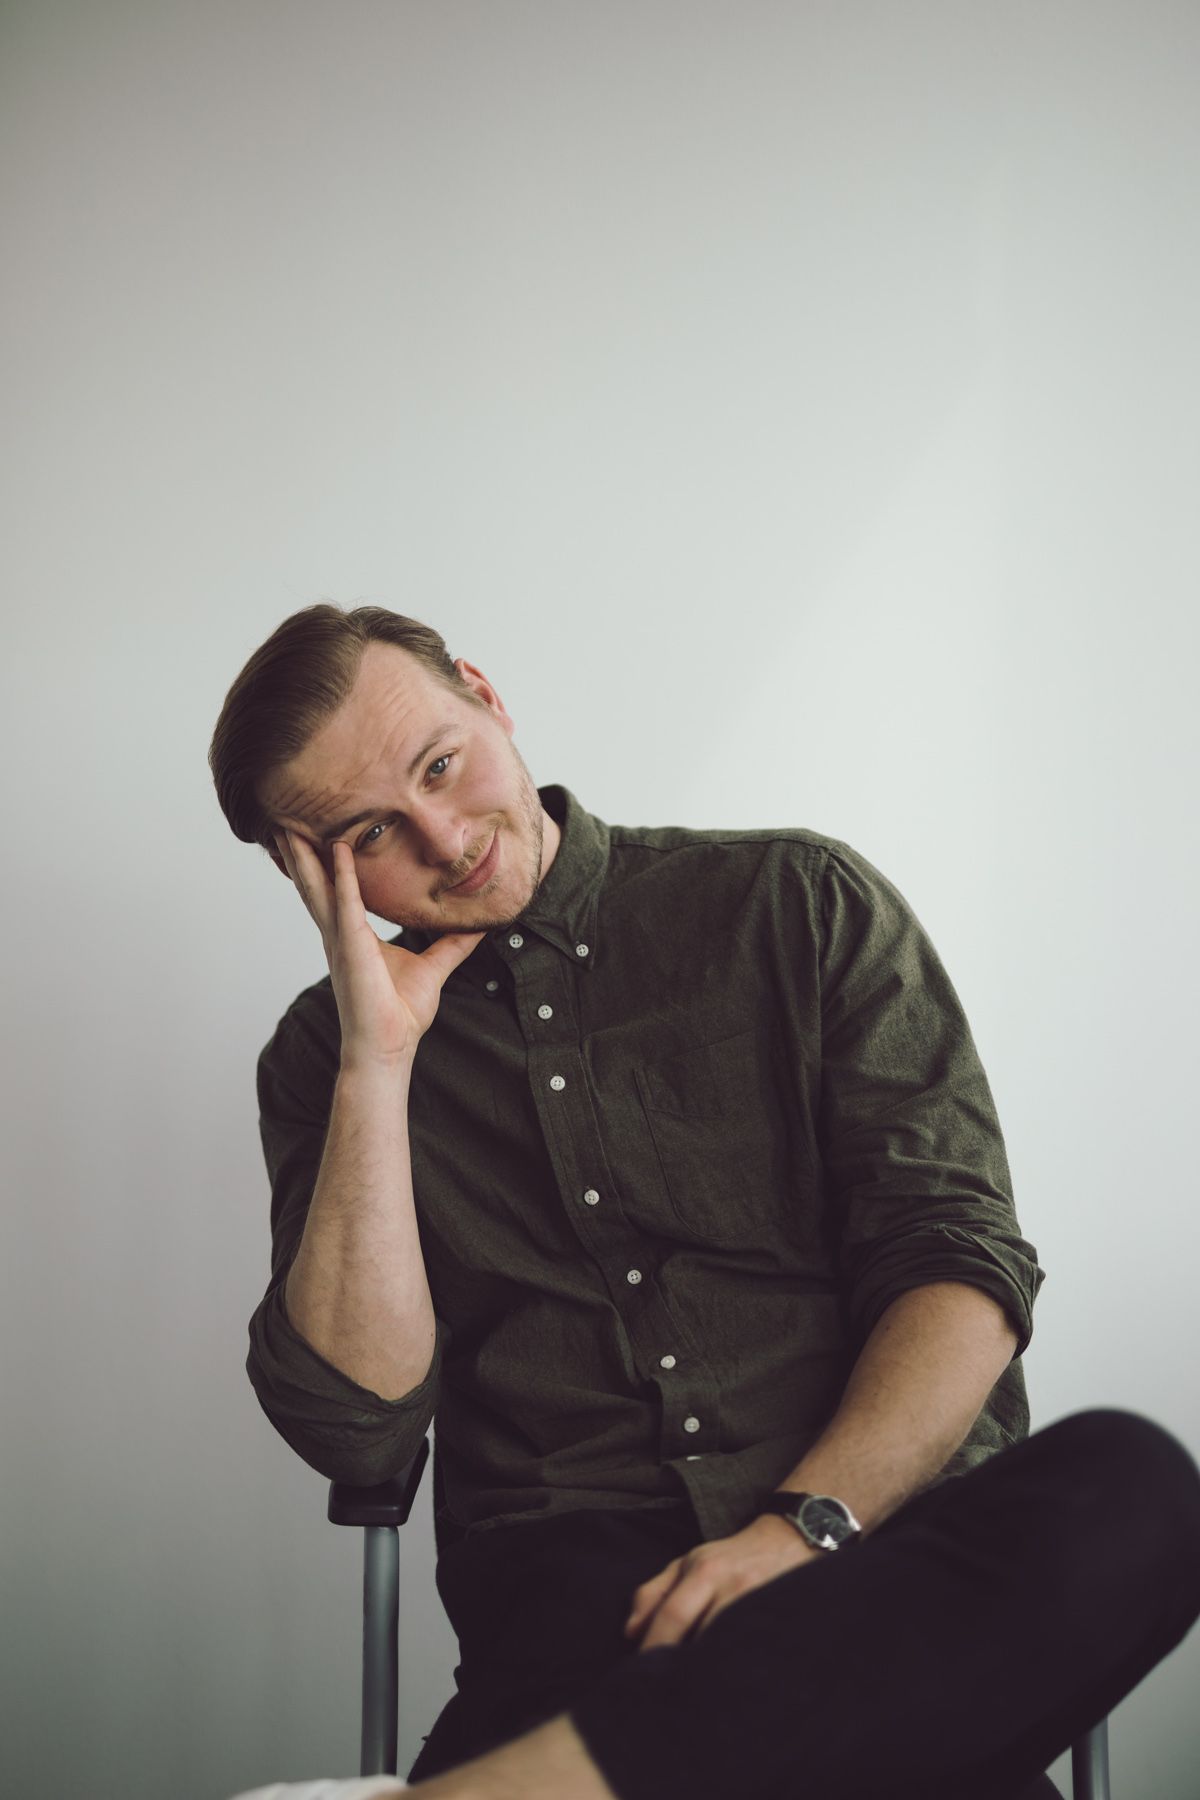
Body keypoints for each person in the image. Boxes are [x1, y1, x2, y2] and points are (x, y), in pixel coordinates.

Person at [212, 605, 1200, 1800]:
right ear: (303, 869)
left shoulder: (796, 900)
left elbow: (956, 1264)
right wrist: (377, 1064)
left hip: (870, 1564)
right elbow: (355, 1431)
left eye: (440, 764)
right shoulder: (322, 1063)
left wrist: (797, 1535)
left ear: (484, 693)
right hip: (576, 1622)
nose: (446, 837)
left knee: (1133, 1487)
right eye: (371, 831)